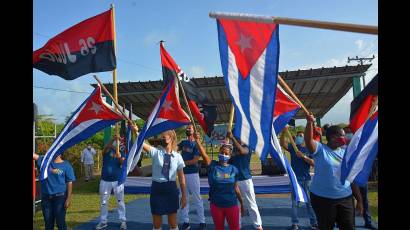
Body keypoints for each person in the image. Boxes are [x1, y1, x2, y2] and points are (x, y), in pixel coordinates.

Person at [305, 114, 363, 230]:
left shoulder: (346, 152)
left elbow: (350, 178)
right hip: (322, 199)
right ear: (332, 137)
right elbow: (308, 140)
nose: (344, 137)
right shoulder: (320, 149)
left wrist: (359, 200)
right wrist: (309, 123)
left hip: (345, 198)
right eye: (342, 135)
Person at [130, 124, 187, 230]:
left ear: (171, 138)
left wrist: (184, 196)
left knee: (173, 223)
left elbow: (182, 177)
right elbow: (141, 143)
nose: (161, 138)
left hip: (171, 189)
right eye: (161, 136)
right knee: (157, 224)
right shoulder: (156, 152)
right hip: (157, 189)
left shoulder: (178, 157)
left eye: (164, 136)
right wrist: (136, 132)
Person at [196, 132, 245, 230]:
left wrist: (242, 203)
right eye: (222, 152)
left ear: (230, 156)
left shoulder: (234, 169)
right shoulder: (212, 166)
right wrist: (197, 140)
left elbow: (236, 187)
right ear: (218, 153)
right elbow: (203, 153)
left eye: (226, 153)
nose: (223, 154)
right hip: (216, 205)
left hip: (232, 205)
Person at [280, 128, 318, 230]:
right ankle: (295, 223)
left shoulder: (309, 149)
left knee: (309, 202)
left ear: (305, 139)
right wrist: (284, 132)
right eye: (298, 136)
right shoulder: (293, 147)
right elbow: (282, 143)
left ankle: (313, 222)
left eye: (301, 136)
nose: (298, 138)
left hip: (306, 179)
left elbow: (313, 163)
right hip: (295, 180)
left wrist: (303, 156)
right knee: (294, 203)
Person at [227, 131, 263, 230]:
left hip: (246, 180)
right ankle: (237, 225)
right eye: (234, 135)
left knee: (251, 204)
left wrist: (232, 139)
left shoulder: (247, 147)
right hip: (233, 181)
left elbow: (242, 151)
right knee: (235, 205)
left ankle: (258, 225)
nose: (236, 137)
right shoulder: (230, 149)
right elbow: (226, 162)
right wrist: (226, 150)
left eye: (237, 136)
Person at [33, 152, 75, 230]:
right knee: (48, 224)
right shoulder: (44, 162)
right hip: (46, 198)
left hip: (60, 198)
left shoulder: (66, 165)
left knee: (60, 223)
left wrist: (68, 198)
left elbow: (69, 182)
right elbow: (34, 155)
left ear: (60, 153)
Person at [95, 136, 127, 230]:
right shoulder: (107, 150)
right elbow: (103, 151)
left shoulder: (121, 151)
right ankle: (103, 222)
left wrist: (119, 156)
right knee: (104, 202)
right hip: (105, 180)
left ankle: (123, 221)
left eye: (118, 141)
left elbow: (123, 163)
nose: (117, 142)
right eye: (115, 141)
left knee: (120, 201)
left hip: (117, 181)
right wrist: (112, 140)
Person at [178, 124, 206, 230]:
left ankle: (202, 221)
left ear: (194, 130)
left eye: (190, 128)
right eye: (187, 128)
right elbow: (173, 149)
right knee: (183, 197)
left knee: (197, 198)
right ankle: (185, 221)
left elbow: (195, 160)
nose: (188, 129)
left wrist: (180, 163)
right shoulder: (183, 142)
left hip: (193, 174)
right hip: (182, 174)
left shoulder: (196, 144)